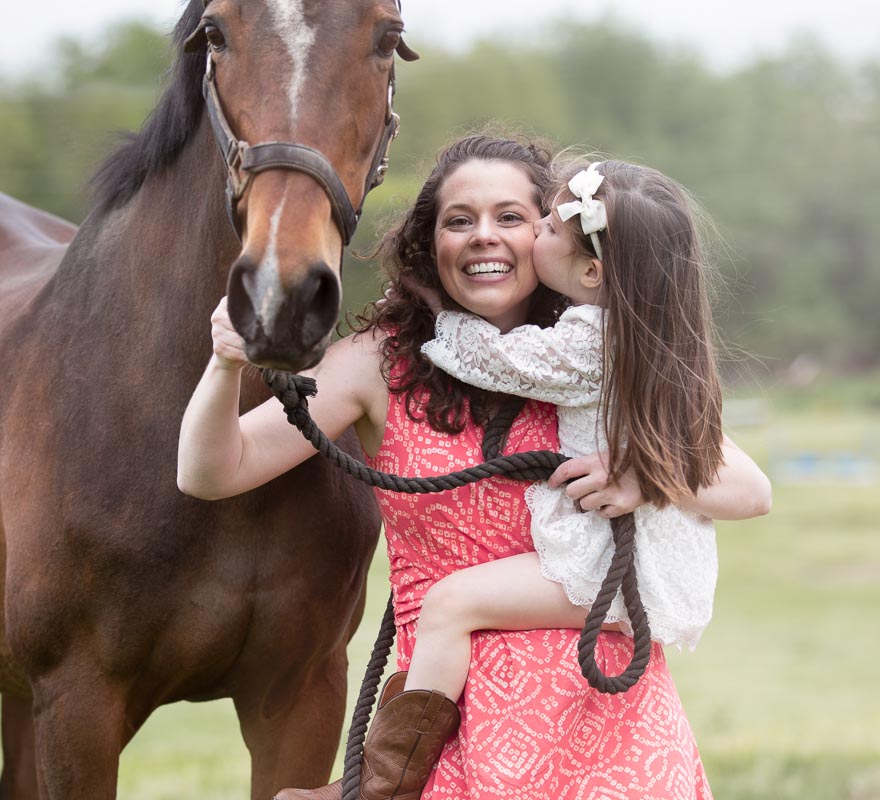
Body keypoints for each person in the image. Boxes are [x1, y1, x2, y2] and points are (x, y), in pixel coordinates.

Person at [177, 133, 771, 800]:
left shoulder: (600, 354)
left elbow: (746, 486)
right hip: (448, 726)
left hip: (611, 725)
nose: (484, 236)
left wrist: (644, 474)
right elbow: (214, 471)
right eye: (460, 220)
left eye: (512, 217)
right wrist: (225, 366)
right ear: (430, 243)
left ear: (555, 242)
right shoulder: (380, 362)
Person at [405, 159, 725, 716]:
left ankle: (392, 778)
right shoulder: (638, 334)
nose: (534, 233)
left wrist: (435, 314)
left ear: (593, 274)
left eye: (548, 227)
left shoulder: (589, 342)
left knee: (449, 604)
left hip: (614, 562)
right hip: (630, 558)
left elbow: (499, 362)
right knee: (453, 604)